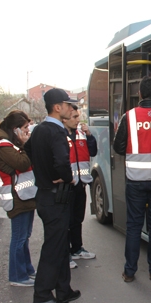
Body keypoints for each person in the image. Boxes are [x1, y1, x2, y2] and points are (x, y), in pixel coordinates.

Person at [24, 88, 80, 303]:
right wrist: (68, 178)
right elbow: (62, 163)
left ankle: (63, 288)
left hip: (46, 196)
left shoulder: (39, 129)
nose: (71, 108)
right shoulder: (56, 132)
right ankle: (42, 296)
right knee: (53, 248)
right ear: (58, 108)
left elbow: (27, 150)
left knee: (60, 244)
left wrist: (42, 171)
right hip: (56, 197)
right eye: (68, 105)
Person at [113, 76, 151, 283]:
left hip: (135, 181)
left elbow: (118, 147)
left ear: (140, 94)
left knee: (134, 226)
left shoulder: (129, 117)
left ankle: (129, 272)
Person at [0, 110, 36, 287]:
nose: (27, 132)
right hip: (16, 198)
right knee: (19, 237)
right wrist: (26, 145)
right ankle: (17, 275)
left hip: (25, 196)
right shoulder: (4, 147)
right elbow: (23, 163)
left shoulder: (13, 145)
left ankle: (27, 269)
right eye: (24, 129)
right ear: (15, 129)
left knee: (25, 236)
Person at [63, 106, 98, 269]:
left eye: (78, 116)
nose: (78, 120)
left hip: (80, 183)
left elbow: (93, 151)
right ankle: (66, 254)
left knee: (77, 219)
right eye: (74, 117)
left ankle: (77, 249)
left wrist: (90, 136)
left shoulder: (81, 134)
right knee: (66, 221)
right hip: (66, 185)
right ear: (64, 119)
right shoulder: (60, 136)